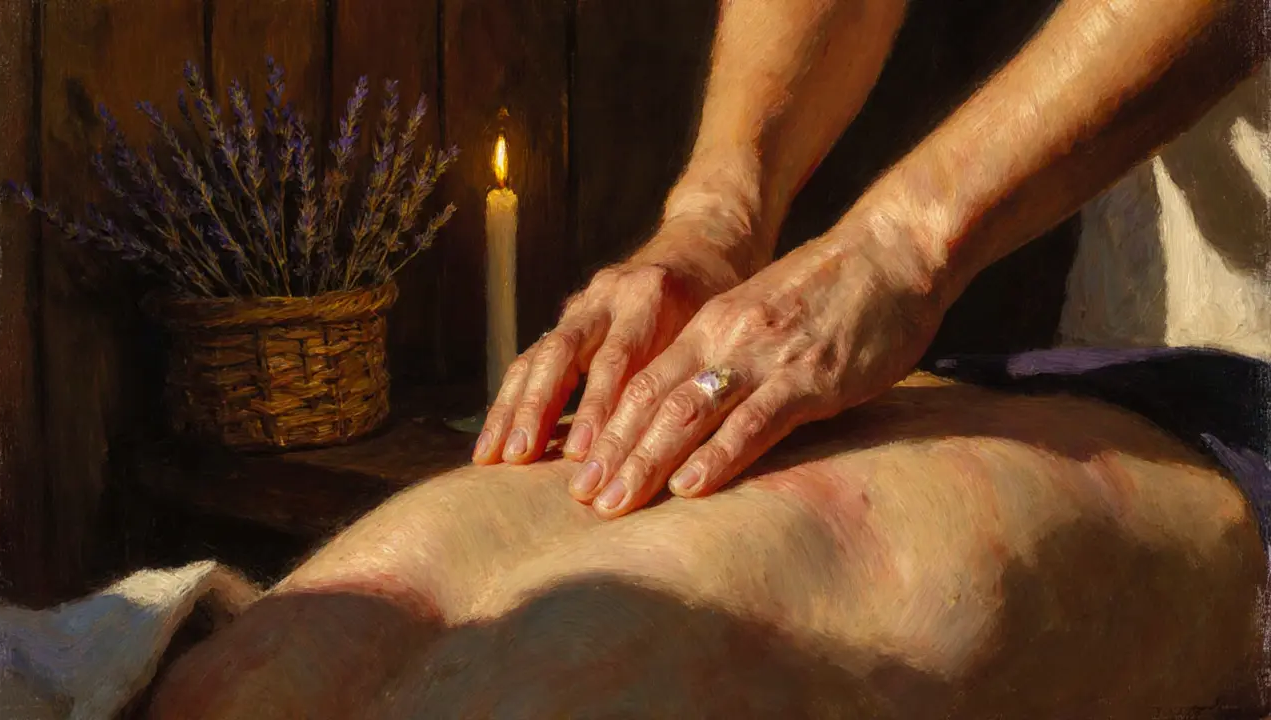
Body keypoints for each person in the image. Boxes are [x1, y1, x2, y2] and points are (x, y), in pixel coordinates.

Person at [149, 0, 1271, 717]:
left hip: (1238, 385)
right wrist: (714, 219)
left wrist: (898, 244)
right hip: (1112, 371)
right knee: (270, 674)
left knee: (559, 682)